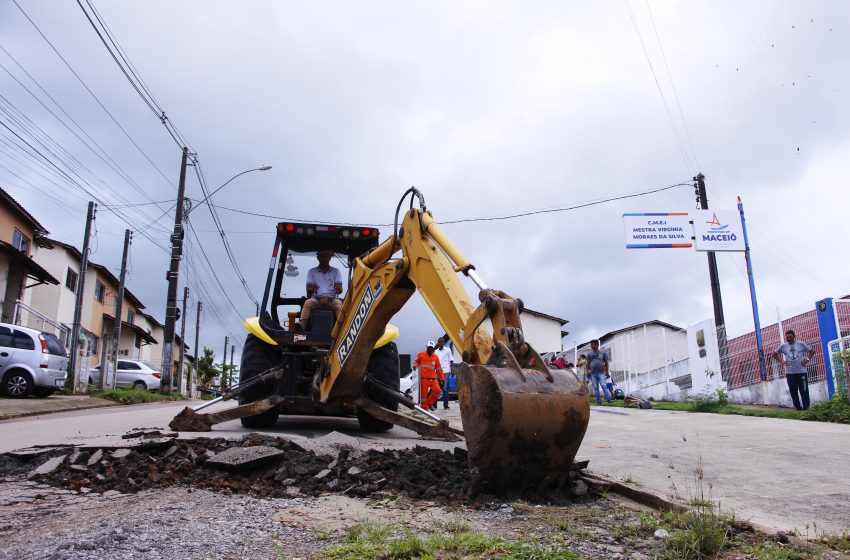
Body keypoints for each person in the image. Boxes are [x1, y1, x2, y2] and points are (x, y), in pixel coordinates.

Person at [773, 329, 814, 410]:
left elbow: (812, 351)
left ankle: (806, 407)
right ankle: (798, 407)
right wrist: (782, 361)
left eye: (790, 337)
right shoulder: (783, 346)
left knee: (804, 390)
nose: (789, 339)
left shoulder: (801, 344)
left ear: (794, 336)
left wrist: (807, 359)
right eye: (787, 337)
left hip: (801, 372)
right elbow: (774, 354)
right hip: (790, 373)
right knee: (793, 391)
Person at [300, 250, 343, 328]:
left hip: (332, 300)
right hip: (316, 300)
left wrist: (338, 287)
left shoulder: (336, 271)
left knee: (338, 305)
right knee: (308, 302)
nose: (324, 258)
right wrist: (311, 288)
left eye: (326, 256)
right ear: (318, 258)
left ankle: (343, 329)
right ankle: (301, 326)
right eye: (322, 256)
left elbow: (340, 290)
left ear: (330, 258)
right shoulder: (312, 271)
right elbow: (308, 288)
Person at [413, 340, 444, 412]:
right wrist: (415, 365)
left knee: (437, 390)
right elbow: (416, 362)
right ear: (427, 347)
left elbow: (439, 369)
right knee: (424, 396)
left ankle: (429, 403)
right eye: (429, 348)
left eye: (432, 348)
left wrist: (442, 378)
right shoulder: (421, 354)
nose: (430, 349)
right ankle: (424, 410)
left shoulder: (435, 357)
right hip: (423, 378)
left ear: (433, 348)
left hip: (433, 378)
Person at [587, 340, 611, 405]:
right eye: (591, 344)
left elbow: (606, 363)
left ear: (597, 345)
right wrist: (587, 371)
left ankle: (609, 399)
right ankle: (599, 401)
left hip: (601, 373)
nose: (591, 346)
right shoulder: (589, 354)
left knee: (603, 385)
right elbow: (588, 363)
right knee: (595, 388)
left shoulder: (603, 353)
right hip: (592, 373)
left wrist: (607, 371)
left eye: (593, 344)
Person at [434, 337, 454, 409]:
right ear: (438, 343)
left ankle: (446, 405)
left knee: (445, 389)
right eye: (439, 342)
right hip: (437, 372)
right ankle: (434, 405)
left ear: (444, 342)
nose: (440, 343)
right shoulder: (436, 351)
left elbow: (451, 360)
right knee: (436, 389)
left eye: (442, 342)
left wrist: (452, 369)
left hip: (445, 371)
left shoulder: (448, 350)